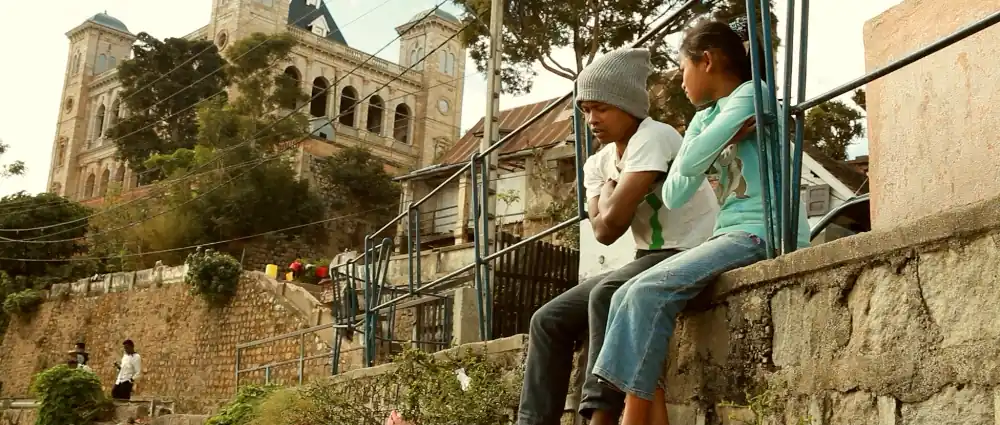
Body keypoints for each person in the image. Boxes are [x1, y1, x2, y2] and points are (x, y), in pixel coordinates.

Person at [590, 19, 813, 425]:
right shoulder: (704, 118)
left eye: (683, 69)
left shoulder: (753, 94)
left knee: (645, 293)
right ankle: (650, 417)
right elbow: (674, 194)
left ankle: (631, 420)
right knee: (624, 295)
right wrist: (718, 138)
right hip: (728, 235)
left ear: (706, 61)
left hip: (763, 231)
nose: (680, 82)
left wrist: (703, 149)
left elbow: (689, 163)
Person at [517, 47, 719, 425]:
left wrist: (608, 197)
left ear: (629, 106)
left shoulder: (655, 136)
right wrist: (611, 197)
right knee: (547, 320)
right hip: (649, 258)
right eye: (585, 110)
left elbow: (610, 225)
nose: (592, 119)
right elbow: (602, 231)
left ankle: (600, 417)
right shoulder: (598, 163)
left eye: (602, 108)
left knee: (606, 293)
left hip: (692, 250)